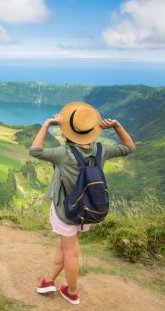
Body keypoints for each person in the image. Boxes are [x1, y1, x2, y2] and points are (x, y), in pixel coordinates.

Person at [29, 102, 136, 305]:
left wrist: (46, 124)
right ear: (92, 130)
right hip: (87, 208)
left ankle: (72, 292)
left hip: (67, 211)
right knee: (64, 245)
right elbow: (129, 147)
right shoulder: (101, 150)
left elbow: (35, 151)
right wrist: (117, 126)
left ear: (68, 130)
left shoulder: (63, 153)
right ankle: (49, 281)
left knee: (71, 251)